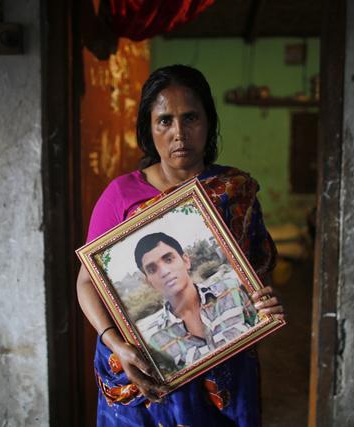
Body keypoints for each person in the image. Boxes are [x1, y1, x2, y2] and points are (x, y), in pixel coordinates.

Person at [76, 64, 284, 427]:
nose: (179, 133)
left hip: (223, 369)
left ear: (209, 122)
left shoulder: (235, 191)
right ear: (149, 128)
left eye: (190, 118)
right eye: (165, 121)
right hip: (143, 372)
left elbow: (255, 273)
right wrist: (116, 344)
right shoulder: (121, 196)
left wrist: (262, 301)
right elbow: (86, 282)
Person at [134, 232, 258, 376]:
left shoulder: (233, 290)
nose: (164, 271)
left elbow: (261, 326)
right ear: (149, 281)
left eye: (168, 259)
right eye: (152, 269)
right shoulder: (157, 340)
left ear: (186, 261)